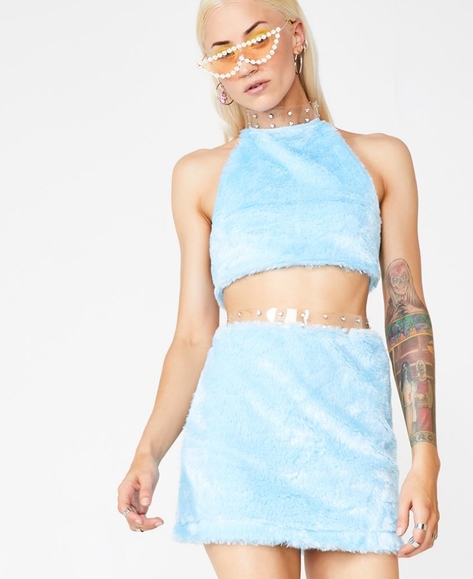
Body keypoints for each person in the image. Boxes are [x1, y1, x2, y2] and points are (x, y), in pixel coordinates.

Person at [117, 0, 440, 577]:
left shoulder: (381, 159)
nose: (244, 62)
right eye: (223, 54)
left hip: (350, 435)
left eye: (257, 38)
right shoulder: (199, 175)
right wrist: (148, 452)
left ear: (295, 35)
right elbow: (192, 336)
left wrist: (426, 458)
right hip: (241, 437)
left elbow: (406, 312)